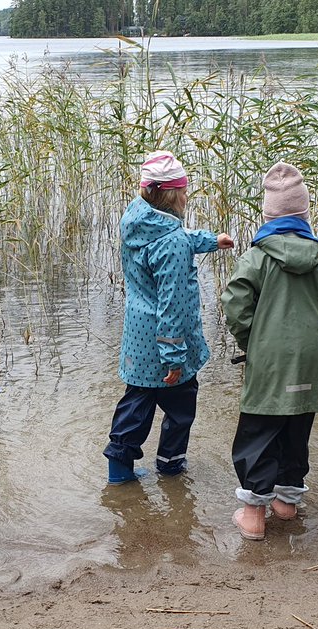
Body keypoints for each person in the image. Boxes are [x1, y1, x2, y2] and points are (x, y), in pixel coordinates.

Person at [103, 150, 234, 484]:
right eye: (185, 190)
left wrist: (210, 240)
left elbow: (176, 239)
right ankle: (171, 468)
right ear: (172, 194)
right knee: (180, 408)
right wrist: (175, 358)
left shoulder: (136, 221)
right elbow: (172, 305)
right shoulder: (172, 241)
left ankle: (118, 473)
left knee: (135, 405)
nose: (188, 196)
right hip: (166, 344)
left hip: (138, 339)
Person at [221, 162, 318, 541]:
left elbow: (235, 305)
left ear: (267, 215)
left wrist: (250, 342)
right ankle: (287, 504)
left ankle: (254, 515)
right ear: (304, 214)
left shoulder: (257, 257)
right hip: (310, 361)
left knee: (258, 431)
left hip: (270, 362)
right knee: (295, 429)